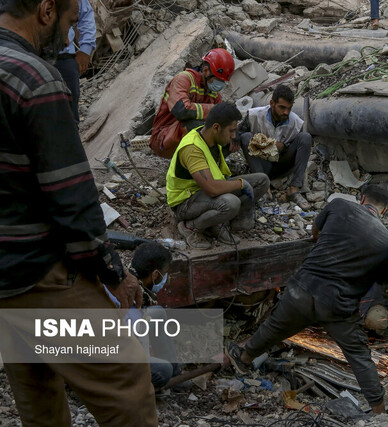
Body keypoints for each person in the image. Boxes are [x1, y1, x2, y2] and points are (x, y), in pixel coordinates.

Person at [0, 0, 157, 424]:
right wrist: (113, 273)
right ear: (46, 11)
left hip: (5, 285)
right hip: (38, 273)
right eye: (71, 23)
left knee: (39, 396)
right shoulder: (34, 79)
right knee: (126, 382)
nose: (71, 38)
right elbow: (71, 196)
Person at [225, 184, 388, 414]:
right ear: (383, 211)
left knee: (274, 327)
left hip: (301, 290)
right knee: (360, 358)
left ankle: (244, 357)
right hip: (337, 306)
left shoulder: (339, 205)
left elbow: (315, 232)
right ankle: (380, 411)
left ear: (362, 199)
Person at [166, 102, 269, 249]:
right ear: (216, 128)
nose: (234, 136)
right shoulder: (192, 149)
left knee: (262, 181)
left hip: (206, 192)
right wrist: (240, 184)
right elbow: (212, 189)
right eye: (231, 131)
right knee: (231, 203)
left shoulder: (211, 138)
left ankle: (217, 222)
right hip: (186, 201)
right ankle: (191, 227)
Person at [150, 48, 235, 159]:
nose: (220, 84)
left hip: (186, 138)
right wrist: (213, 110)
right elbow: (181, 110)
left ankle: (212, 164)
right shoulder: (183, 79)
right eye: (218, 79)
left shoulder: (214, 94)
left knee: (228, 135)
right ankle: (206, 166)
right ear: (205, 71)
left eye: (223, 81)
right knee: (197, 127)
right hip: (164, 139)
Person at [239, 84, 312, 211]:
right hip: (261, 164)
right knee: (246, 137)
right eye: (282, 107)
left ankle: (294, 189)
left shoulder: (295, 122)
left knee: (305, 138)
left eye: (289, 108)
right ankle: (263, 186)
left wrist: (284, 146)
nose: (286, 112)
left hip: (281, 164)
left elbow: (297, 148)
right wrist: (265, 144)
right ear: (272, 103)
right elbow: (238, 136)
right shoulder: (254, 115)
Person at [129, 242, 180, 389]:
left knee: (156, 312)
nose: (166, 278)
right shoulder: (131, 299)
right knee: (163, 371)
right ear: (155, 274)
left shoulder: (129, 277)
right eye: (165, 273)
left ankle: (175, 372)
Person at [54, 0, 95, 125]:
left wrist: (85, 49)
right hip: (32, 56)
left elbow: (85, 14)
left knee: (70, 110)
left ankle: (72, 140)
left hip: (64, 58)